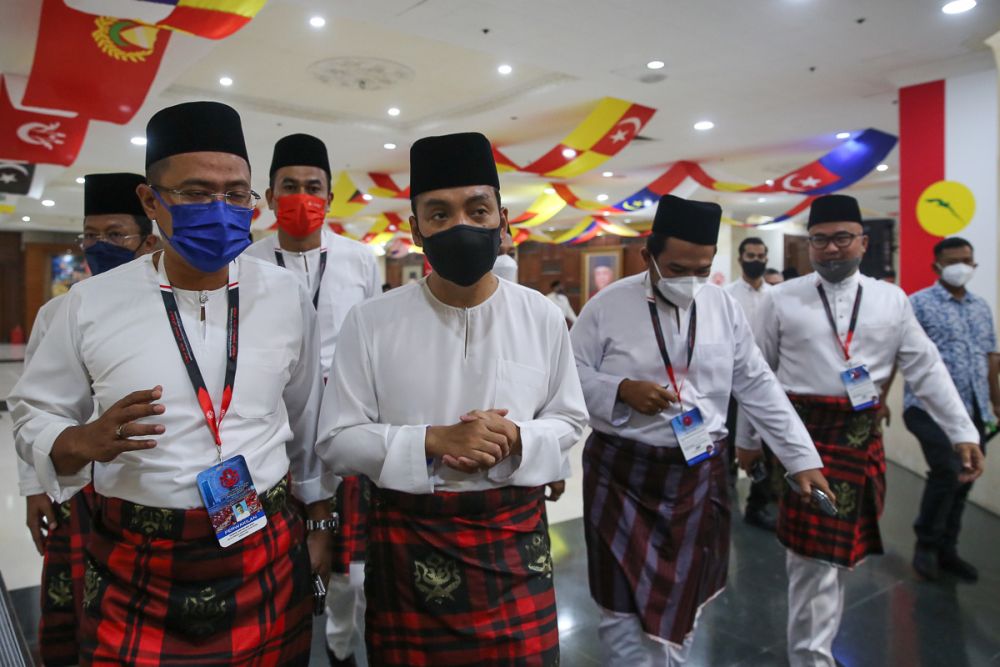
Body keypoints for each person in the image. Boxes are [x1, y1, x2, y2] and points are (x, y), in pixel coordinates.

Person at [11, 101, 335, 665]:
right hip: (138, 554)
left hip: (264, 539)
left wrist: (321, 520)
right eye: (193, 192)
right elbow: (34, 409)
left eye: (236, 194)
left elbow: (305, 419)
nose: (220, 209)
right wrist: (74, 443)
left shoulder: (284, 295)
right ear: (149, 200)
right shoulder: (89, 304)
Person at [316, 131, 589, 665]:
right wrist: (433, 440)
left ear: (503, 222)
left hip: (514, 541)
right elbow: (336, 442)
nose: (461, 225)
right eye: (439, 214)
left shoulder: (541, 314)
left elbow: (569, 419)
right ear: (417, 230)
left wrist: (518, 437)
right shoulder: (371, 321)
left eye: (477, 209)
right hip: (410, 539)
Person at [570, 194, 829, 666]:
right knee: (623, 609)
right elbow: (566, 378)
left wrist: (802, 457)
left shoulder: (723, 308)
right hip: (622, 474)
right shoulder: (607, 307)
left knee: (685, 600)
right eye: (676, 268)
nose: (690, 281)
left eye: (702, 269)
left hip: (698, 473)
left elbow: (756, 382)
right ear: (648, 254)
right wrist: (620, 388)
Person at [755, 194, 984, 667]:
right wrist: (747, 442)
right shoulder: (781, 298)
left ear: (863, 241)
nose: (831, 249)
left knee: (835, 560)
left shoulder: (890, 299)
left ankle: (816, 649)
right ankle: (810, 658)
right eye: (820, 240)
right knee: (812, 560)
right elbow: (758, 374)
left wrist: (963, 431)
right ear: (809, 245)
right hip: (805, 441)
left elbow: (926, 367)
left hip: (860, 440)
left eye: (842, 238)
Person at [244, 132, 379, 667]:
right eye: (290, 186)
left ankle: (341, 646)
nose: (302, 197)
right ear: (272, 197)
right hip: (272, 428)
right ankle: (289, 633)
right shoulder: (245, 261)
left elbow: (372, 342)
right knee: (276, 557)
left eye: (314, 187)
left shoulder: (360, 259)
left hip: (345, 425)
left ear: (329, 196)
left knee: (352, 569)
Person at [18, 172, 158, 667]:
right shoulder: (60, 311)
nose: (100, 245)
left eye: (114, 234)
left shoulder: (171, 303)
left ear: (148, 234)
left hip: (149, 487)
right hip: (77, 485)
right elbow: (34, 408)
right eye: (91, 235)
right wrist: (35, 484)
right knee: (79, 609)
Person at [905, 237, 998, 582]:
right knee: (946, 470)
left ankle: (948, 549)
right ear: (937, 266)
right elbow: (898, 355)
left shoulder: (980, 307)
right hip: (927, 409)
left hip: (974, 409)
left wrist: (995, 400)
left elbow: (991, 355)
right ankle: (925, 545)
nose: (961, 266)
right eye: (953, 260)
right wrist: (877, 400)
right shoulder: (918, 304)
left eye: (967, 260)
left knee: (966, 476)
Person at [724, 237, 778, 530]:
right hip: (731, 385)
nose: (755, 259)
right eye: (750, 255)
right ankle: (725, 484)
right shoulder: (726, 295)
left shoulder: (776, 296)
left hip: (767, 385)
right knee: (728, 441)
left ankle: (757, 504)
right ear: (740, 257)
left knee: (765, 447)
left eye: (760, 255)